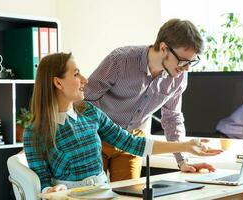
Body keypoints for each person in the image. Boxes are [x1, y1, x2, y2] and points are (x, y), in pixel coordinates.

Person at [23, 52, 222, 193]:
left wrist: (186, 146)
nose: (84, 80)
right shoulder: (34, 131)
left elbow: (132, 143)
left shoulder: (89, 112)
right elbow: (41, 180)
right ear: (58, 82)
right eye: (76, 74)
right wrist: (52, 189)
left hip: (102, 192)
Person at [84, 18, 215, 181]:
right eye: (183, 61)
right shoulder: (119, 61)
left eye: (191, 62)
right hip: (97, 136)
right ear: (163, 48)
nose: (186, 68)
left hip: (133, 142)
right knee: (93, 193)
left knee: (128, 194)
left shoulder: (178, 77)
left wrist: (182, 161)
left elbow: (172, 119)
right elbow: (85, 101)